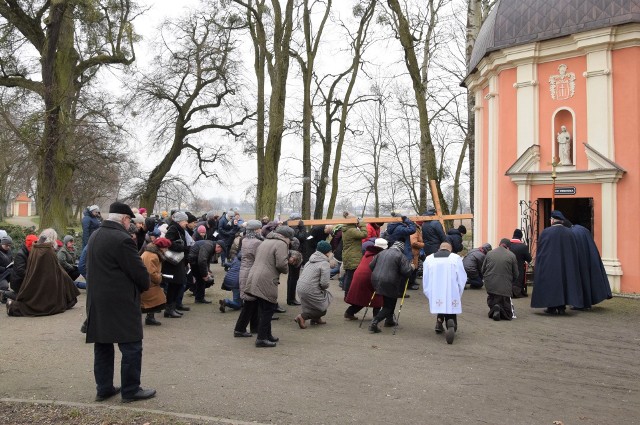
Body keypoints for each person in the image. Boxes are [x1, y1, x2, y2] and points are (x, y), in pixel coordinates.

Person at [85, 201, 156, 403]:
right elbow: (140, 275)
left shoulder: (95, 234)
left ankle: (104, 388)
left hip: (98, 301)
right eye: (129, 221)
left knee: (103, 346)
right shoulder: (122, 239)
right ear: (124, 219)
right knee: (132, 347)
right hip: (121, 302)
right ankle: (131, 390)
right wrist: (144, 285)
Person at [6, 229, 80, 317]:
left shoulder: (37, 247)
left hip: (38, 279)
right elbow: (50, 269)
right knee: (44, 305)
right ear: (52, 238)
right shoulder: (46, 250)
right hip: (41, 281)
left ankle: (12, 302)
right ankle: (13, 306)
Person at [245, 226, 293, 348]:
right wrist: (288, 267)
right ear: (286, 237)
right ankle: (261, 338)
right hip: (266, 278)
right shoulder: (281, 244)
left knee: (264, 307)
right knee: (268, 309)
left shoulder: (266, 241)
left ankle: (267, 335)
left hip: (255, 276)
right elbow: (281, 264)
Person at [531, 210, 584, 314]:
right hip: (566, 266)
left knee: (551, 285)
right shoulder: (570, 233)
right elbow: (574, 251)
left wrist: (539, 265)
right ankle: (561, 308)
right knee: (564, 284)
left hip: (549, 266)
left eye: (551, 219)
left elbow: (541, 251)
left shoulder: (546, 232)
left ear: (553, 220)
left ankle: (551, 307)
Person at [422, 242, 467, 344]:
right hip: (451, 288)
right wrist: (459, 290)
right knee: (449, 303)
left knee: (440, 301)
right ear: (450, 250)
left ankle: (439, 322)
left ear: (439, 248)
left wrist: (429, 291)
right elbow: (462, 276)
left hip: (435, 289)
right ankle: (451, 323)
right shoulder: (455, 258)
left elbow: (426, 277)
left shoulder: (429, 259)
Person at [368, 241, 413, 333]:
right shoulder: (400, 256)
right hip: (390, 281)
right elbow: (406, 272)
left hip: (376, 279)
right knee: (389, 305)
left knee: (388, 300)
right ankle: (375, 321)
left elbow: (371, 265)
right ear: (401, 249)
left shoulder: (381, 252)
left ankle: (389, 320)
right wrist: (411, 267)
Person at [566, 222, 612, 309]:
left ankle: (581, 304)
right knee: (587, 280)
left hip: (580, 261)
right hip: (587, 259)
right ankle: (586, 301)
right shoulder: (582, 229)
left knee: (581, 281)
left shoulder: (574, 233)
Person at [234, 220, 264, 337]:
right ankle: (239, 329)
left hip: (245, 272)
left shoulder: (245, 240)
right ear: (255, 230)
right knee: (249, 304)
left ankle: (254, 327)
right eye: (259, 229)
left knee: (253, 302)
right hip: (251, 273)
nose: (260, 230)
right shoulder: (257, 243)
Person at [344, 238, 386, 320]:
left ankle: (349, 312)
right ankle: (376, 318)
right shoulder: (379, 255)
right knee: (378, 298)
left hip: (359, 276)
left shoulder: (368, 253)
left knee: (362, 297)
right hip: (368, 277)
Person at [294, 240, 333, 329]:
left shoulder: (310, 260)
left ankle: (315, 319)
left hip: (300, 287)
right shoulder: (324, 263)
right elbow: (324, 284)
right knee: (322, 309)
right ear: (327, 253)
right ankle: (302, 317)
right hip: (310, 290)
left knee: (314, 303)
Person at [162, 211, 191, 317]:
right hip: (173, 262)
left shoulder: (179, 229)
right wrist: (183, 248)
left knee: (177, 284)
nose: (186, 223)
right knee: (174, 285)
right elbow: (168, 242)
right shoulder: (173, 229)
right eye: (185, 221)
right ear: (180, 221)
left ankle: (172, 307)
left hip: (178, 261)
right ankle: (169, 309)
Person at [482, 238, 519, 321]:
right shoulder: (512, 255)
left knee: (493, 298)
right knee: (508, 314)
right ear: (508, 247)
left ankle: (496, 307)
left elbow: (483, 269)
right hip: (505, 288)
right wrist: (511, 282)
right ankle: (499, 308)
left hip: (490, 285)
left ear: (499, 244)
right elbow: (516, 274)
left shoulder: (489, 253)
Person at [140, 237, 171, 326]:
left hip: (147, 282)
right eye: (166, 247)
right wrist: (159, 278)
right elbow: (151, 272)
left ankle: (150, 317)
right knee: (155, 301)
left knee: (153, 301)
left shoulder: (149, 253)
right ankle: (148, 318)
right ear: (161, 247)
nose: (167, 249)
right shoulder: (153, 256)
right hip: (149, 283)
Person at [385, 213, 417, 289]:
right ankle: (400, 290)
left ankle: (398, 288)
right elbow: (412, 229)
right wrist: (407, 220)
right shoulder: (400, 228)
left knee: (397, 270)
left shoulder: (392, 227)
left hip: (396, 250)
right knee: (403, 271)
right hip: (403, 251)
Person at [188, 239, 223, 304]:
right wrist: (205, 275)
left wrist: (208, 270)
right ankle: (198, 298)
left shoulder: (211, 246)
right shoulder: (209, 246)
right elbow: (202, 261)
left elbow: (207, 260)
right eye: (221, 250)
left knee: (200, 280)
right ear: (218, 246)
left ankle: (199, 298)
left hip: (194, 259)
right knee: (195, 280)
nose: (220, 252)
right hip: (194, 260)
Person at [341, 213, 368, 297]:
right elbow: (364, 234)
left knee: (349, 275)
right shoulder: (352, 230)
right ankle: (348, 295)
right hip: (353, 256)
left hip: (349, 255)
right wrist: (362, 224)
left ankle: (347, 294)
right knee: (351, 276)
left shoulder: (347, 229)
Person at [509, 229, 532, 298]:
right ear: (520, 237)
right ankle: (518, 292)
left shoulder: (508, 245)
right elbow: (529, 259)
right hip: (519, 270)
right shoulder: (523, 246)